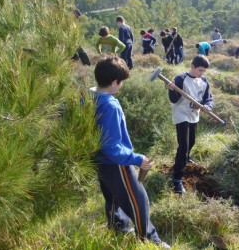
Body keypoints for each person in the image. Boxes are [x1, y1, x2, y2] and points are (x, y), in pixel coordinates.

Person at [91, 56, 169, 248]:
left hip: (99, 161)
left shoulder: (90, 95)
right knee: (138, 200)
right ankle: (150, 240)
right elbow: (111, 145)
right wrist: (136, 159)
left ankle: (119, 229)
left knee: (112, 197)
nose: (121, 86)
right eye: (121, 82)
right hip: (115, 163)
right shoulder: (109, 105)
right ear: (115, 82)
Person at [167, 55, 213, 194]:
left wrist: (208, 106)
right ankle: (177, 179)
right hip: (181, 114)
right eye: (199, 70)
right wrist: (171, 89)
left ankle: (186, 157)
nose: (202, 73)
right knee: (184, 145)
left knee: (191, 141)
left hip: (194, 115)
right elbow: (174, 100)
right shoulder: (181, 79)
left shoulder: (204, 81)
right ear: (192, 66)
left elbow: (208, 98)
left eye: (204, 71)